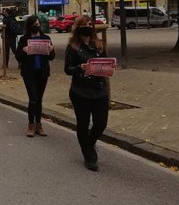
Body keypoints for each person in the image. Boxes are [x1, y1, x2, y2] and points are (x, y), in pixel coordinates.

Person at [65, 15, 112, 171]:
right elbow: (68, 69)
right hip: (81, 91)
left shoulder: (99, 45)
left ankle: (89, 144)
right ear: (78, 27)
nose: (88, 26)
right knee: (83, 124)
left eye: (90, 24)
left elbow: (105, 63)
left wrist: (110, 67)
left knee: (101, 123)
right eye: (84, 24)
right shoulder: (72, 47)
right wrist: (80, 68)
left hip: (99, 90)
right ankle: (88, 155)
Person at [15, 15, 55, 137]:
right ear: (29, 26)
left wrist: (51, 50)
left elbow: (51, 57)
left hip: (42, 73)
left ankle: (39, 124)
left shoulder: (45, 38)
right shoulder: (23, 39)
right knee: (33, 99)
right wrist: (24, 51)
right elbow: (18, 56)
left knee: (39, 100)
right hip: (29, 73)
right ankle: (31, 125)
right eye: (34, 24)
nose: (36, 26)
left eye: (38, 24)